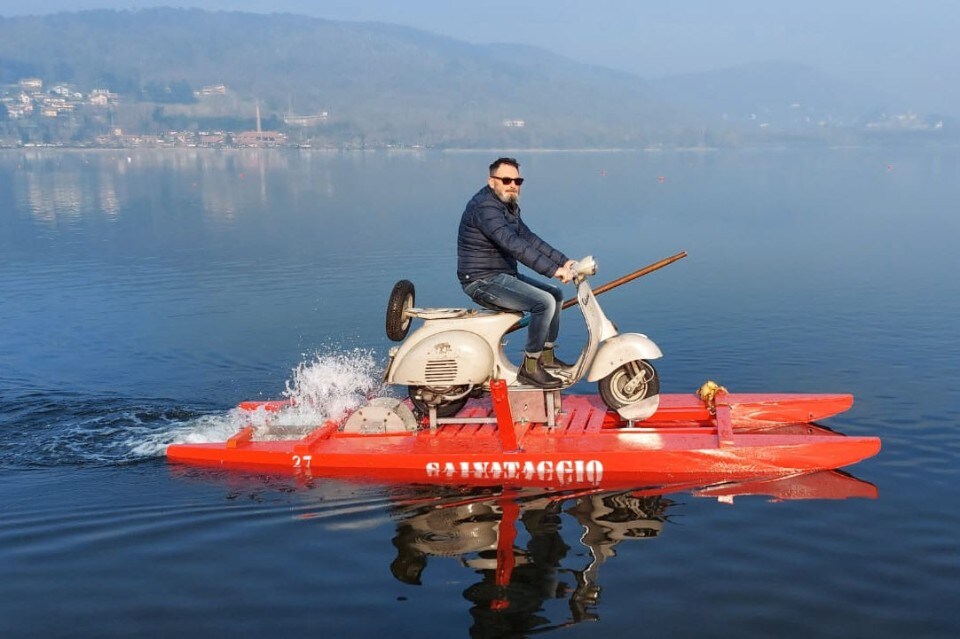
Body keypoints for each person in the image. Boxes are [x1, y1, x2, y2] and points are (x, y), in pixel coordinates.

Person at [457, 157, 575, 388]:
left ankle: (547, 357)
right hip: (482, 281)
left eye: (517, 180)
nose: (513, 184)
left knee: (556, 295)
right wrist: (553, 270)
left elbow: (529, 239)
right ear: (492, 182)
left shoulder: (507, 205)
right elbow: (513, 244)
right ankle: (530, 368)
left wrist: (564, 261)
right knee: (543, 303)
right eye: (506, 179)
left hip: (502, 276)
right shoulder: (485, 209)